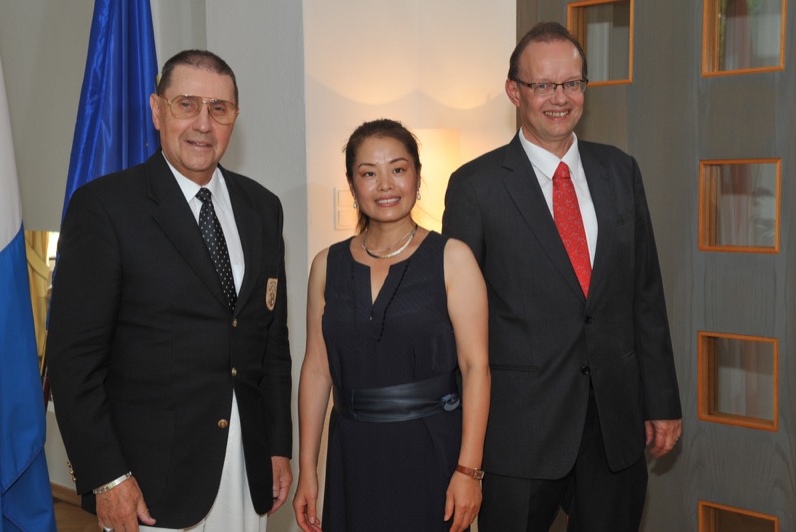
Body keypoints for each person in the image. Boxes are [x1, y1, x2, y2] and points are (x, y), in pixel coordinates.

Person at [442, 22, 682, 532]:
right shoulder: (474, 187)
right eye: (544, 85)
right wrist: (462, 448)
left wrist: (661, 401)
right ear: (514, 91)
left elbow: (645, 294)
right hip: (519, 433)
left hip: (614, 428)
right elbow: (457, 321)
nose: (560, 98)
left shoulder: (621, 170)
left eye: (572, 83)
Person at [46, 50, 293, 532]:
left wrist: (278, 445)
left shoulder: (263, 208)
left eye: (219, 109)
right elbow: (73, 361)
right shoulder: (105, 208)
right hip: (148, 484)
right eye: (187, 104)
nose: (203, 123)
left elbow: (272, 345)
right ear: (157, 110)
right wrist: (107, 477)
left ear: (235, 118)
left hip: (245, 470)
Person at [292, 119, 490, 532]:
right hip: (352, 451)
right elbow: (317, 370)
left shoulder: (452, 257)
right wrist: (307, 469)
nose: (385, 185)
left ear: (417, 176)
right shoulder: (326, 265)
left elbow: (476, 368)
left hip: (430, 451)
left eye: (398, 169)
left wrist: (469, 471)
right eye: (369, 173)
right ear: (352, 185)